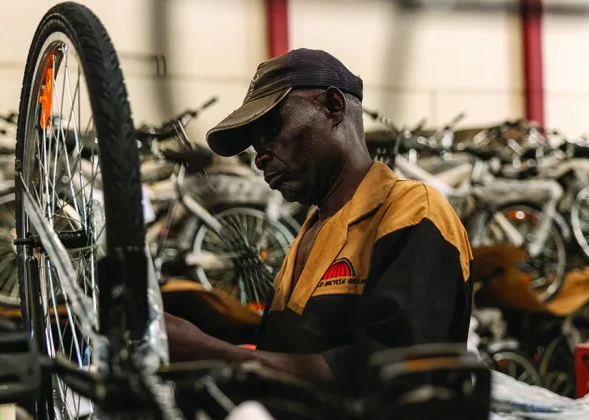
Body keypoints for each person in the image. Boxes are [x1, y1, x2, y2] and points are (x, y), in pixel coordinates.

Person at [163, 48, 474, 397]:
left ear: (333, 107)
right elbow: (293, 350)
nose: (260, 157)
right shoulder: (312, 230)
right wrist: (205, 325)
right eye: (255, 145)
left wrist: (211, 352)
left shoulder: (412, 211)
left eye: (272, 129)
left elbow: (393, 373)